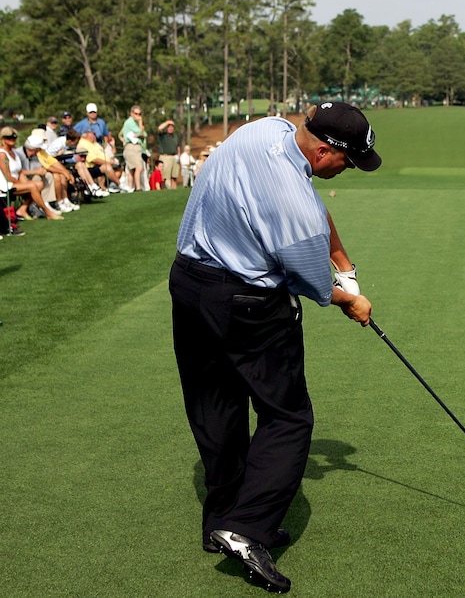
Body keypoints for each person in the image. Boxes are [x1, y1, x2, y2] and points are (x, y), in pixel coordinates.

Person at [169, 101, 381, 594]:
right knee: (287, 417)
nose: (346, 170)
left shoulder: (263, 129)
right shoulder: (296, 204)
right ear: (325, 151)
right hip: (248, 305)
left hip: (189, 284)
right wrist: (352, 298)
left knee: (214, 404)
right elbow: (314, 284)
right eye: (347, 161)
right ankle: (245, 530)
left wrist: (342, 259)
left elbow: (313, 205)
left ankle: (220, 521)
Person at [0, 127, 64, 221]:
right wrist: (23, 184)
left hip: (15, 182)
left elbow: (20, 171)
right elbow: (7, 176)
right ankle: (48, 213)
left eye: (14, 138)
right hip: (6, 185)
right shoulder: (2, 154)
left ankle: (23, 209)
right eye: (8, 138)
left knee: (39, 184)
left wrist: (25, 182)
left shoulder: (14, 152)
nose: (12, 140)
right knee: (33, 186)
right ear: (3, 139)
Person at [120, 105, 146, 192]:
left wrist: (140, 133)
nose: (138, 116)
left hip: (136, 146)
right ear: (131, 113)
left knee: (132, 169)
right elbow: (140, 132)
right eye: (136, 113)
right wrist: (141, 122)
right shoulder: (129, 122)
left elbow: (144, 134)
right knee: (139, 167)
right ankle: (138, 188)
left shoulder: (134, 123)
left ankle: (130, 188)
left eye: (139, 114)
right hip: (131, 146)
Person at [156, 119, 182, 189]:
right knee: (164, 177)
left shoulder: (175, 136)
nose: (170, 128)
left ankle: (174, 191)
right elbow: (159, 128)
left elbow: (178, 146)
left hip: (174, 157)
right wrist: (167, 122)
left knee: (174, 177)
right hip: (165, 157)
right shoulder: (163, 135)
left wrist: (179, 156)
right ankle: (164, 190)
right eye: (169, 127)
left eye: (172, 127)